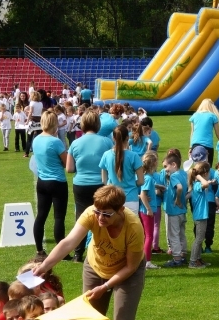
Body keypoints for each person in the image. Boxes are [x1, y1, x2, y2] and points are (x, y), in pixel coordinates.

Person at [34, 185, 145, 320]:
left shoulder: (134, 227)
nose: (100, 218)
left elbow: (131, 266)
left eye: (107, 214)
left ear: (121, 210)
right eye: (97, 212)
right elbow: (68, 242)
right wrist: (44, 266)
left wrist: (106, 286)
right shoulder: (91, 214)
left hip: (127, 274)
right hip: (95, 267)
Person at [67, 110, 113, 262]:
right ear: (98, 124)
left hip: (81, 184)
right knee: (102, 218)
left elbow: (69, 169)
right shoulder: (106, 141)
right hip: (100, 183)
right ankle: (100, 250)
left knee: (81, 219)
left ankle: (77, 254)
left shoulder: (75, 143)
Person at [32, 112, 69, 262]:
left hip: (42, 181)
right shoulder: (56, 142)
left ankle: (39, 250)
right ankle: (62, 253)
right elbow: (66, 163)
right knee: (59, 217)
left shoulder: (36, 139)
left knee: (41, 216)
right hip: (57, 181)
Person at [99, 125, 143, 213]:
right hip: (131, 198)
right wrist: (130, 184)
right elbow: (141, 181)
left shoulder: (106, 155)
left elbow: (104, 180)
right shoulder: (134, 156)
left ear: (113, 138)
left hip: (113, 198)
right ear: (127, 137)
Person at [162, 153, 188, 267]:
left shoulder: (174, 176)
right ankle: (183, 255)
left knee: (174, 235)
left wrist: (177, 199)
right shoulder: (183, 173)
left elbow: (180, 188)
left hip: (173, 211)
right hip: (182, 211)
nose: (165, 170)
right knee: (182, 234)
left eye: (165, 166)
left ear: (173, 164)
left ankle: (177, 259)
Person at [188, 160, 213, 269]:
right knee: (198, 239)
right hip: (200, 216)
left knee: (200, 238)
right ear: (205, 173)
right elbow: (205, 184)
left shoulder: (198, 184)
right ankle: (192, 261)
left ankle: (198, 259)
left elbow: (207, 185)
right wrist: (199, 177)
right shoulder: (198, 184)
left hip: (202, 215)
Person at [138, 152, 160, 270]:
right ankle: (147, 261)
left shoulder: (146, 177)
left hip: (146, 210)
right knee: (149, 236)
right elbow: (142, 194)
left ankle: (144, 260)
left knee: (146, 236)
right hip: (147, 211)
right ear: (153, 164)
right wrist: (148, 209)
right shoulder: (148, 179)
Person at [189, 99, 219, 166]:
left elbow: (192, 133)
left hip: (195, 145)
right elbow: (218, 133)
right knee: (208, 168)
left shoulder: (194, 116)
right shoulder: (213, 116)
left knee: (197, 167)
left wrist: (190, 147)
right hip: (207, 145)